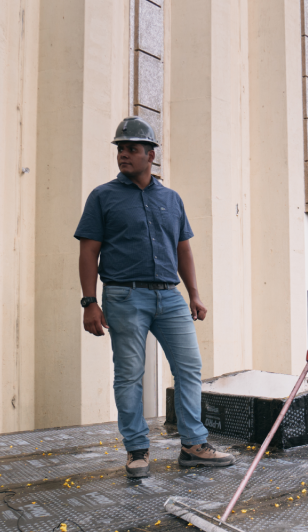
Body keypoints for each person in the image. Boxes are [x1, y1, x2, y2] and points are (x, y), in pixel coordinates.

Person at [75, 117, 234, 478]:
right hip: (124, 297)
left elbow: (183, 250)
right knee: (130, 374)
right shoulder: (103, 197)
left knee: (189, 367)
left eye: (131, 148)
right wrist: (89, 301)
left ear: (151, 154)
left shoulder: (171, 199)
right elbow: (88, 252)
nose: (123, 155)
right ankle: (136, 449)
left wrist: (194, 294)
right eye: (120, 148)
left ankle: (194, 445)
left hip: (170, 297)